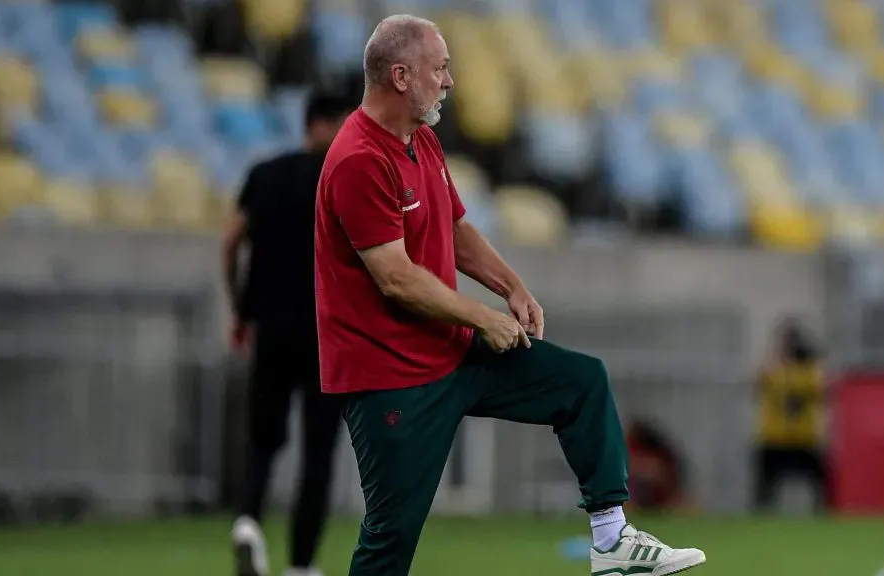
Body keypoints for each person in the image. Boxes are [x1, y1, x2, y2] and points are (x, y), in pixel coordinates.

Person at [314, 15, 707, 576]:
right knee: (389, 544)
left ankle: (612, 541)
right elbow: (395, 278)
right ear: (401, 76)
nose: (449, 81)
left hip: (447, 350)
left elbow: (454, 228)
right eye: (440, 68)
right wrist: (482, 317)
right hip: (391, 379)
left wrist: (512, 286)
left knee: (581, 382)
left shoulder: (419, 139)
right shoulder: (358, 158)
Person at [222, 88, 357, 576]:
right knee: (317, 451)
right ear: (326, 123)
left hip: (271, 329)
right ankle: (301, 564)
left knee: (262, 441)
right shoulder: (339, 179)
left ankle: (248, 526)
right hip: (327, 335)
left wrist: (240, 309)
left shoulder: (264, 174)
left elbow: (232, 240)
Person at [754, 317, 829, 513]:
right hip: (775, 437)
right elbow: (758, 382)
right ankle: (760, 517)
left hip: (803, 438)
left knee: (822, 481)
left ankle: (825, 515)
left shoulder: (808, 371)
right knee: (765, 485)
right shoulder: (773, 369)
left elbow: (820, 388)